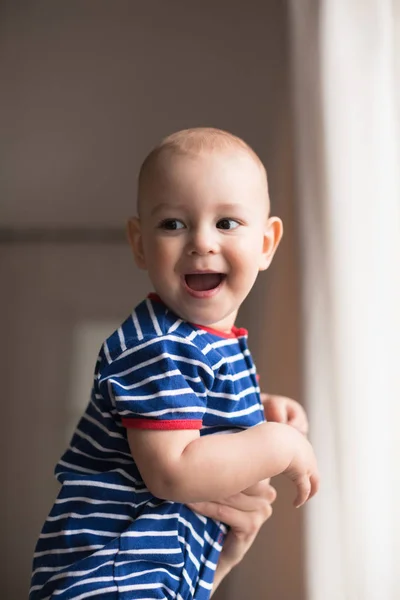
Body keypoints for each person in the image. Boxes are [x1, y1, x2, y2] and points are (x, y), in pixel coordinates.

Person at [30, 127, 319, 600]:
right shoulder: (159, 346)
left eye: (226, 222)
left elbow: (191, 414)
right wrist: (276, 444)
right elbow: (173, 472)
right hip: (112, 575)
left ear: (266, 244)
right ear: (140, 244)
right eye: (173, 224)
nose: (201, 242)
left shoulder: (204, 344)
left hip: (159, 575)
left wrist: (260, 410)